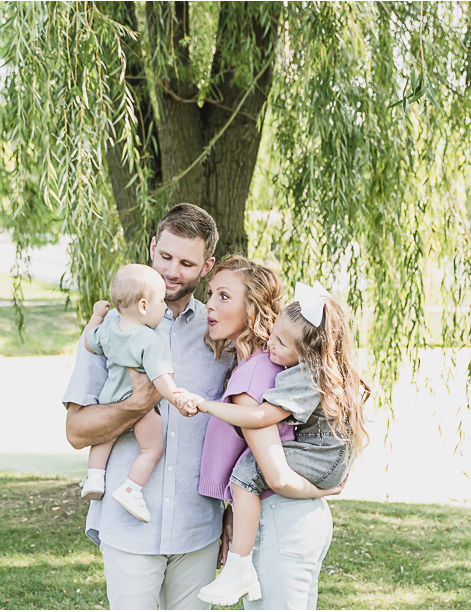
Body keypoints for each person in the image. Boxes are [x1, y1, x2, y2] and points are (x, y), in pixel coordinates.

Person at [62, 203, 233, 610]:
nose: (173, 271)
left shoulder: (222, 333)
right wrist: (136, 405)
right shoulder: (109, 328)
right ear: (153, 246)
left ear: (207, 266)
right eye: (167, 256)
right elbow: (76, 431)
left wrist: (233, 512)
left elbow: (241, 429)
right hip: (128, 531)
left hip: (199, 528)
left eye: (187, 263)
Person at [179, 256, 354, 610]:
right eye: (210, 293)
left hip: (281, 518)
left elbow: (275, 476)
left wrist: (323, 488)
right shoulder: (266, 364)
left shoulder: (254, 376)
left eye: (224, 296)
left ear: (254, 306)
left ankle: (237, 567)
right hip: (294, 519)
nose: (209, 304)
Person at [80, 264, 187, 524]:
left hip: (109, 399)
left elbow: (88, 342)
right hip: (140, 408)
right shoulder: (151, 338)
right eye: (160, 301)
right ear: (143, 306)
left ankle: (94, 476)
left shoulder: (109, 328)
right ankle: (131, 488)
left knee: (104, 437)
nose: (164, 306)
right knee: (151, 449)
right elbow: (160, 376)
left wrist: (96, 315)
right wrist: (176, 398)